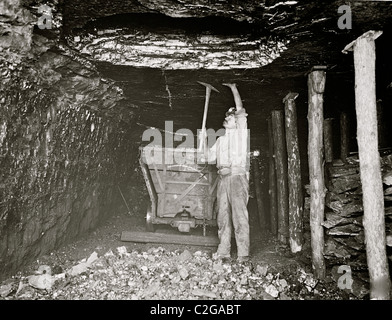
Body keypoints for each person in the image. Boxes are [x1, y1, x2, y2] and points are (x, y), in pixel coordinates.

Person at [200, 83, 250, 263]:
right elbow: (207, 159)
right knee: (223, 217)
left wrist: (234, 88)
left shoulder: (241, 133)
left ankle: (243, 253)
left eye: (230, 117)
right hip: (223, 179)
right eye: (226, 116)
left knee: (239, 215)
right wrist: (204, 140)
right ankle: (224, 252)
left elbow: (241, 110)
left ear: (236, 121)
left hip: (237, 178)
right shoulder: (220, 140)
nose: (226, 118)